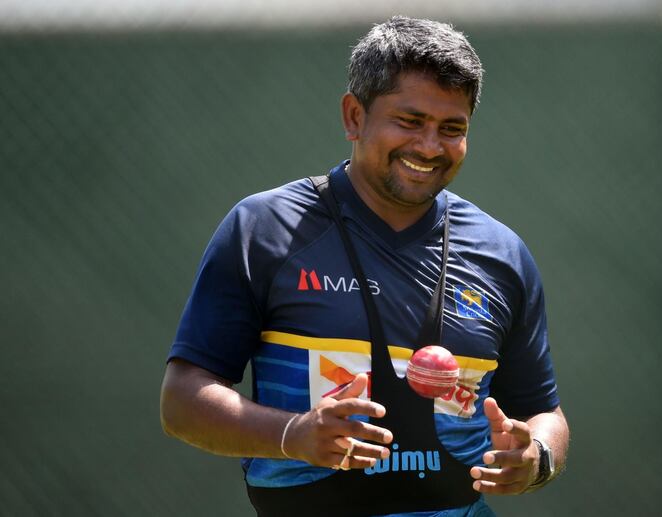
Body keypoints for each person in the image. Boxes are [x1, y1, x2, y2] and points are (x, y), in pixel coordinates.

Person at [160, 16, 569, 517]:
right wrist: (294, 435)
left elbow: (543, 411)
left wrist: (537, 458)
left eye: (452, 129)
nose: (429, 146)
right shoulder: (263, 229)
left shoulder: (502, 253)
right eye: (410, 121)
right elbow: (182, 401)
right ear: (354, 116)